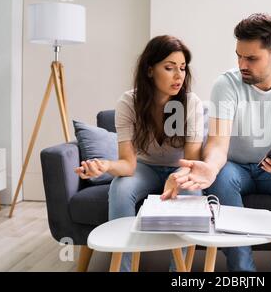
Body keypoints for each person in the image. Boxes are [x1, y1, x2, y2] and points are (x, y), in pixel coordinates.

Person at [174, 14, 271, 272]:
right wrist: (209, 166)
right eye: (239, 56)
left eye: (251, 58)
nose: (242, 64)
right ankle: (242, 270)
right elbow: (218, 144)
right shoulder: (226, 84)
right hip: (236, 167)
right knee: (219, 176)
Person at [74, 35, 204, 271]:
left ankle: (179, 273)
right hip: (143, 167)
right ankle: (123, 267)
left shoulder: (191, 102)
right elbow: (128, 164)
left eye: (182, 68)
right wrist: (105, 166)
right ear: (150, 70)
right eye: (169, 68)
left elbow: (192, 160)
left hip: (180, 165)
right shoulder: (128, 102)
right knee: (120, 188)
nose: (179, 76)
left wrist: (177, 175)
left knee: (189, 188)